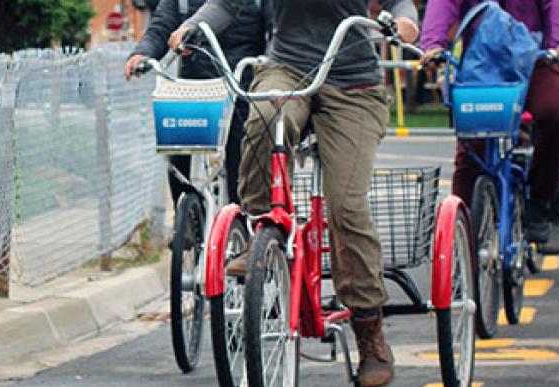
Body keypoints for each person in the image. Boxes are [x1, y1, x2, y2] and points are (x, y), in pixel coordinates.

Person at [169, 1, 419, 386]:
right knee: (264, 119)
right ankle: (258, 231)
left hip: (353, 82)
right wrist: (195, 26)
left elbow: (398, 2)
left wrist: (404, 22)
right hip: (287, 71)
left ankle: (371, 337)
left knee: (347, 208)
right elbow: (225, 3)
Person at [420, 0, 559, 254]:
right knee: (473, 140)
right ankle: (460, 238)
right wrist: (433, 44)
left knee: (555, 115)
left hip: (536, 58)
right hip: (482, 60)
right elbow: (444, 4)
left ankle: (541, 204)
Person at [124, 0, 272, 206]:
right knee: (178, 157)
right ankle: (187, 223)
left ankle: (244, 226)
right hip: (195, 88)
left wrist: (270, 68)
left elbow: (274, 32)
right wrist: (143, 53)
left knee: (242, 167)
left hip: (242, 88)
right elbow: (161, 27)